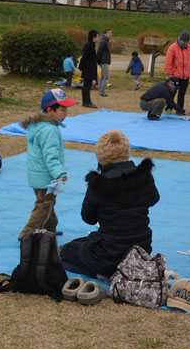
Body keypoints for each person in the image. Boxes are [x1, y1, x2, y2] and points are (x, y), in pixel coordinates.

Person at [59, 130, 158, 279]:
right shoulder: (144, 176)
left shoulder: (99, 184)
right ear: (127, 152)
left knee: (66, 251)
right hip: (141, 251)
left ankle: (103, 273)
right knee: (83, 242)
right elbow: (153, 199)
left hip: (107, 257)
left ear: (100, 155)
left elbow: (88, 218)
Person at [18, 88, 77, 239]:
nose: (66, 113)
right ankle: (26, 233)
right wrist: (59, 173)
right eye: (63, 110)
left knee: (47, 203)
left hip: (37, 175)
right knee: (44, 205)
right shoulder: (50, 130)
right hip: (47, 177)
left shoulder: (38, 126)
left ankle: (50, 228)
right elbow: (50, 156)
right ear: (50, 110)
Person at [165, 30, 190, 108]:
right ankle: (169, 108)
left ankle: (180, 109)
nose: (185, 43)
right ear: (180, 39)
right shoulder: (172, 47)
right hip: (175, 76)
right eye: (183, 41)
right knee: (172, 93)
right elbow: (168, 61)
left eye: (187, 41)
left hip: (185, 76)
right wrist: (169, 73)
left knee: (182, 94)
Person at [79, 30, 99, 108]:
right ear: (93, 37)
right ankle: (87, 102)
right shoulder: (88, 46)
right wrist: (81, 67)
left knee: (87, 86)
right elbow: (85, 58)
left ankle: (86, 102)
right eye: (97, 36)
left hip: (90, 69)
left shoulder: (92, 46)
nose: (98, 38)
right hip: (88, 69)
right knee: (87, 86)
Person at [97, 28, 112, 97]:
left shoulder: (105, 41)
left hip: (104, 61)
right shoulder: (103, 41)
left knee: (103, 76)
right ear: (105, 34)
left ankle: (101, 92)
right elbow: (99, 51)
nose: (110, 34)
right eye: (109, 32)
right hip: (104, 62)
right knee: (106, 76)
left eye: (111, 33)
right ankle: (102, 92)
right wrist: (98, 61)